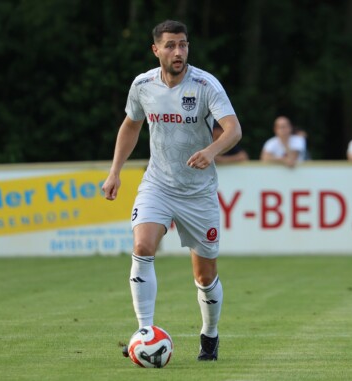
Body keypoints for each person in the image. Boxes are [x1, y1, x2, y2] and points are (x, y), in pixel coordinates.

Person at [101, 20, 241, 361]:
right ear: (156, 50)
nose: (178, 52)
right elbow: (131, 125)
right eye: (171, 46)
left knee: (205, 276)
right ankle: (145, 331)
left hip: (198, 194)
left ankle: (210, 334)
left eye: (183, 45)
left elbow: (233, 130)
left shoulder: (206, 85)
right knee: (143, 245)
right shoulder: (142, 85)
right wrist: (115, 171)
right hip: (158, 184)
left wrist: (211, 151)